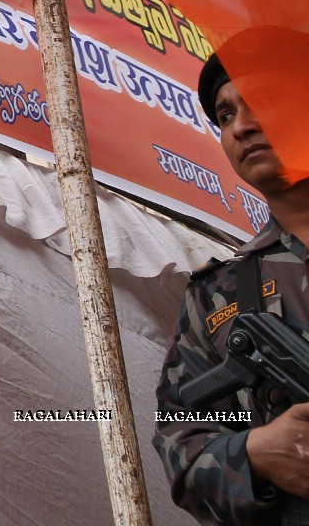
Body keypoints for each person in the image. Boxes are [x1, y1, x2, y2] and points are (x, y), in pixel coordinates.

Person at [156, 39, 309, 522]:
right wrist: (255, 453)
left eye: (260, 102)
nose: (242, 126)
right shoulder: (217, 292)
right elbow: (183, 431)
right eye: (225, 116)